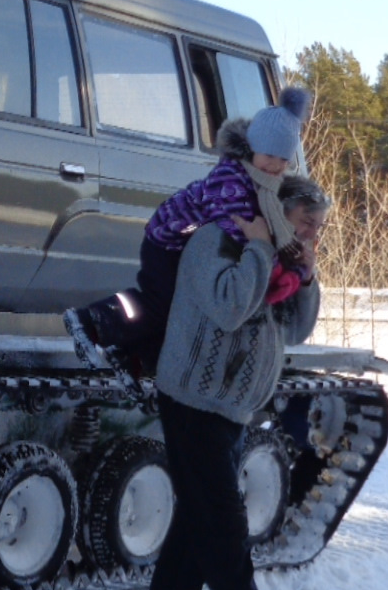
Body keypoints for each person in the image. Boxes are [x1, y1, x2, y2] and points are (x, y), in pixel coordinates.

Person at [137, 173, 330, 590]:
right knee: (224, 535)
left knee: (198, 521)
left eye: (320, 223)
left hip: (230, 409)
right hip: (193, 402)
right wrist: (264, 252)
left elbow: (295, 330)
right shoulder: (216, 242)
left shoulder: (278, 263)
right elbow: (228, 306)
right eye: (305, 218)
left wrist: (307, 277)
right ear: (274, 207)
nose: (314, 228)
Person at [64, 87, 313, 383]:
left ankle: (132, 356)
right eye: (270, 155)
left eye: (284, 159)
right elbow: (239, 229)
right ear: (254, 147)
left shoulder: (264, 184)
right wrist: (268, 262)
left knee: (184, 314)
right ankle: (94, 320)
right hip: (169, 241)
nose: (277, 165)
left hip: (189, 246)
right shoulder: (231, 180)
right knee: (162, 303)